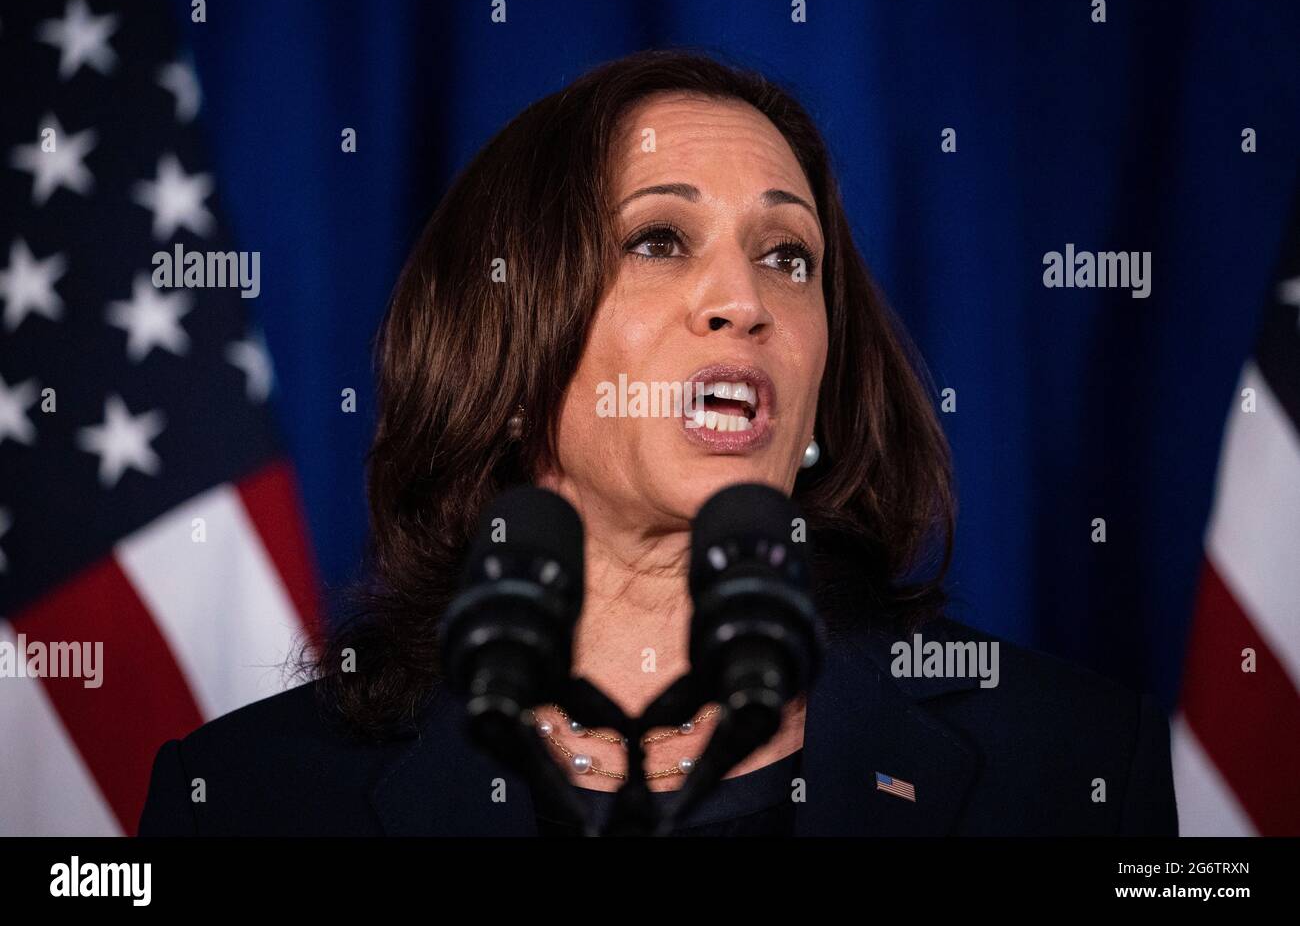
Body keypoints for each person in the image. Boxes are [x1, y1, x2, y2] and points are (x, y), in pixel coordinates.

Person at [139, 50, 1177, 836]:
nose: (742, 299)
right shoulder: (247, 797)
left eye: (787, 256)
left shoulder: (1070, 761)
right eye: (657, 240)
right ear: (505, 341)